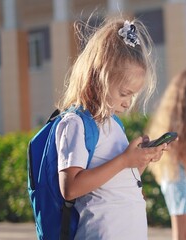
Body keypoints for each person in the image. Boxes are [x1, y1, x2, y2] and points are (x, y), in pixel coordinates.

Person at [55, 18, 167, 239]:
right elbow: (70, 188)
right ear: (99, 78)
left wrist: (139, 161)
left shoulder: (114, 124)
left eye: (133, 95)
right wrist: (125, 160)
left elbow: (117, 182)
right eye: (124, 93)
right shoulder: (76, 123)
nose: (128, 103)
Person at [147, 67, 186, 240]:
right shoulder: (184, 118)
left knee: (181, 236)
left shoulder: (173, 113)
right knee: (185, 237)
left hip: (176, 178)